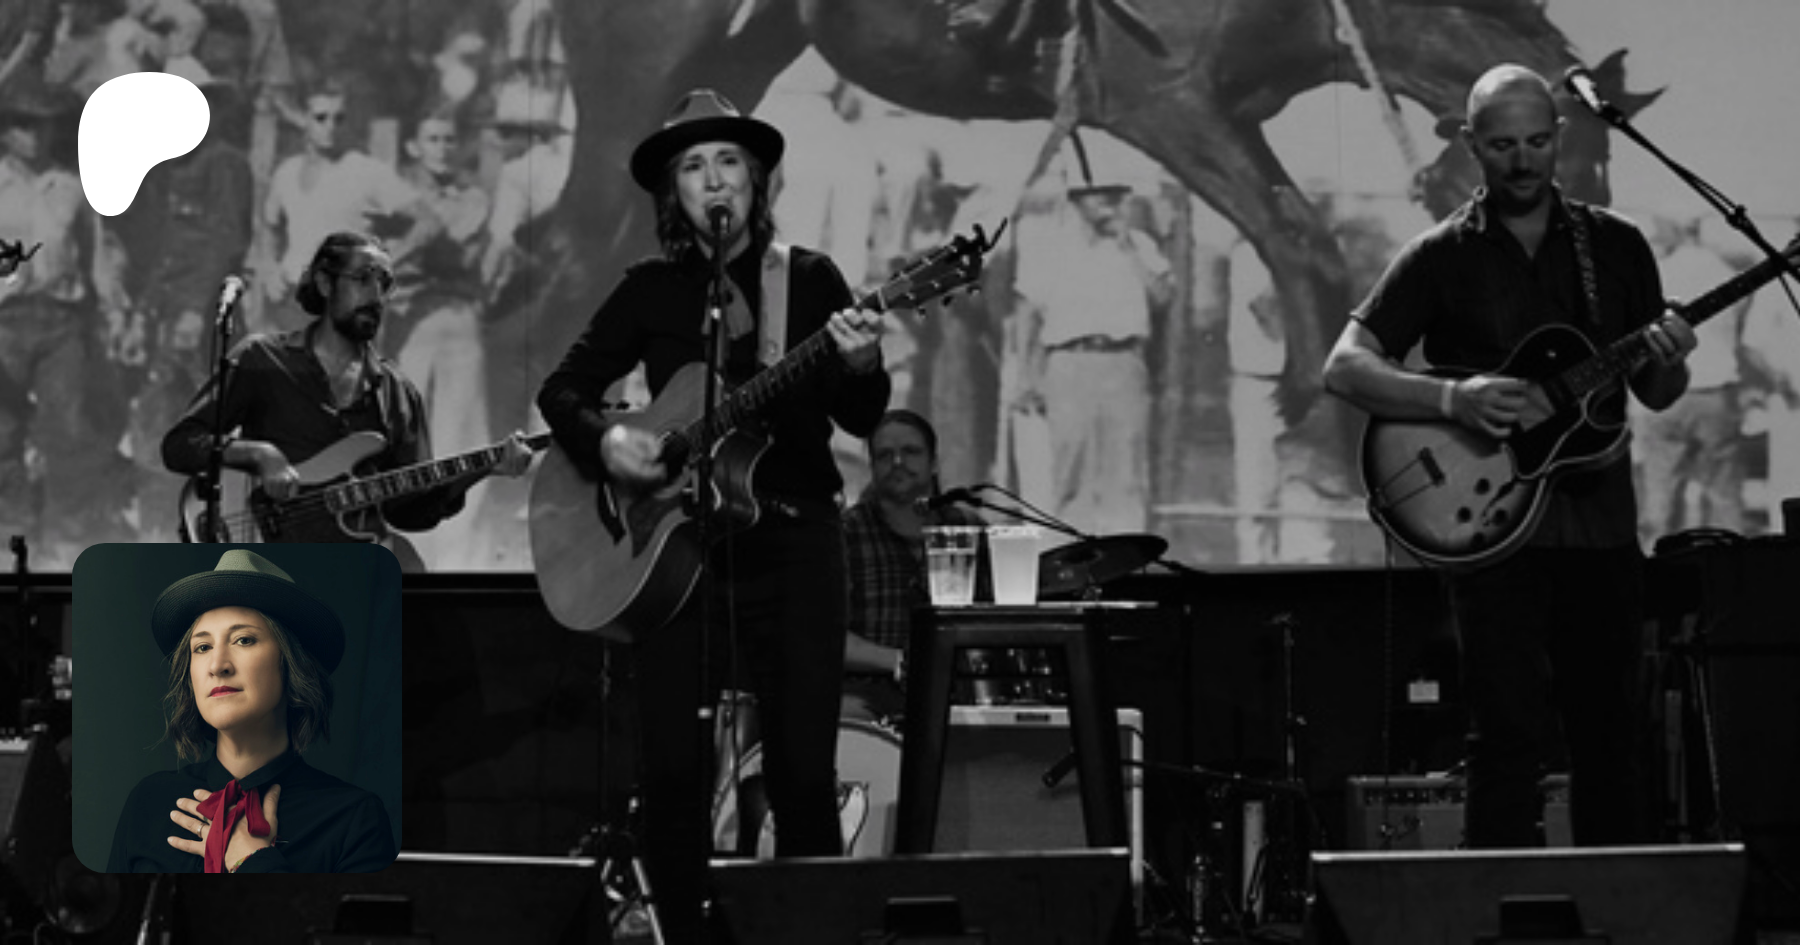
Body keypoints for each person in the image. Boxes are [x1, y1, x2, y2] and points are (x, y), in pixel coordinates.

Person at [536, 88, 888, 941]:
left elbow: (863, 415)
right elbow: (563, 390)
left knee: (802, 773)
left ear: (757, 181)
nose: (714, 178)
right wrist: (609, 440)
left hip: (795, 543)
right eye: (693, 166)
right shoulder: (650, 289)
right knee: (673, 773)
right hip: (680, 556)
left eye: (729, 160)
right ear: (675, 194)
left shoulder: (809, 278)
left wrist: (862, 363)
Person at [1322, 63, 1696, 848]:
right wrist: (1452, 400)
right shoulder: (1441, 255)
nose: (1523, 161)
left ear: (1558, 135)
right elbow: (1345, 366)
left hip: (1599, 527)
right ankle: (1496, 900)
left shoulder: (1617, 246)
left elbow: (1657, 390)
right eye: (1501, 146)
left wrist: (1670, 357)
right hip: (1492, 531)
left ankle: (1613, 900)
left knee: (1612, 735)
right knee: (1505, 734)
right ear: (1470, 143)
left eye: (1535, 142)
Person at [160, 230, 532, 569]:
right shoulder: (262, 359)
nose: (376, 295)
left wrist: (482, 470)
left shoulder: (397, 392)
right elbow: (180, 445)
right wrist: (260, 454)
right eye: (364, 278)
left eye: (384, 283)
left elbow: (411, 512)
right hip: (270, 567)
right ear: (325, 283)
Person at [106, 548, 395, 872]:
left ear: (290, 662)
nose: (217, 665)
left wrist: (253, 861)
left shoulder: (354, 819)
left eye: (244, 640)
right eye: (202, 647)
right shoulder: (148, 802)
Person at [1012, 180, 1171, 537]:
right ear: (1077, 200)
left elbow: (1162, 297)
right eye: (1099, 195)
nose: (1108, 203)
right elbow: (1027, 313)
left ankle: (1127, 553)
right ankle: (1072, 553)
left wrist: (1130, 248)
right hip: (1070, 362)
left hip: (1124, 361)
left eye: (1116, 196)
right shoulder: (1051, 247)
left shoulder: (1139, 244)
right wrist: (1025, 374)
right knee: (1071, 466)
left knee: (1126, 468)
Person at [841, 409, 985, 722]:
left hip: (960, 691)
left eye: (910, 451)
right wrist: (901, 661)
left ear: (934, 463)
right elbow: (822, 637)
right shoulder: (845, 532)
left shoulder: (968, 527)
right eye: (884, 455)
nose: (897, 462)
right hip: (867, 696)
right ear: (872, 466)